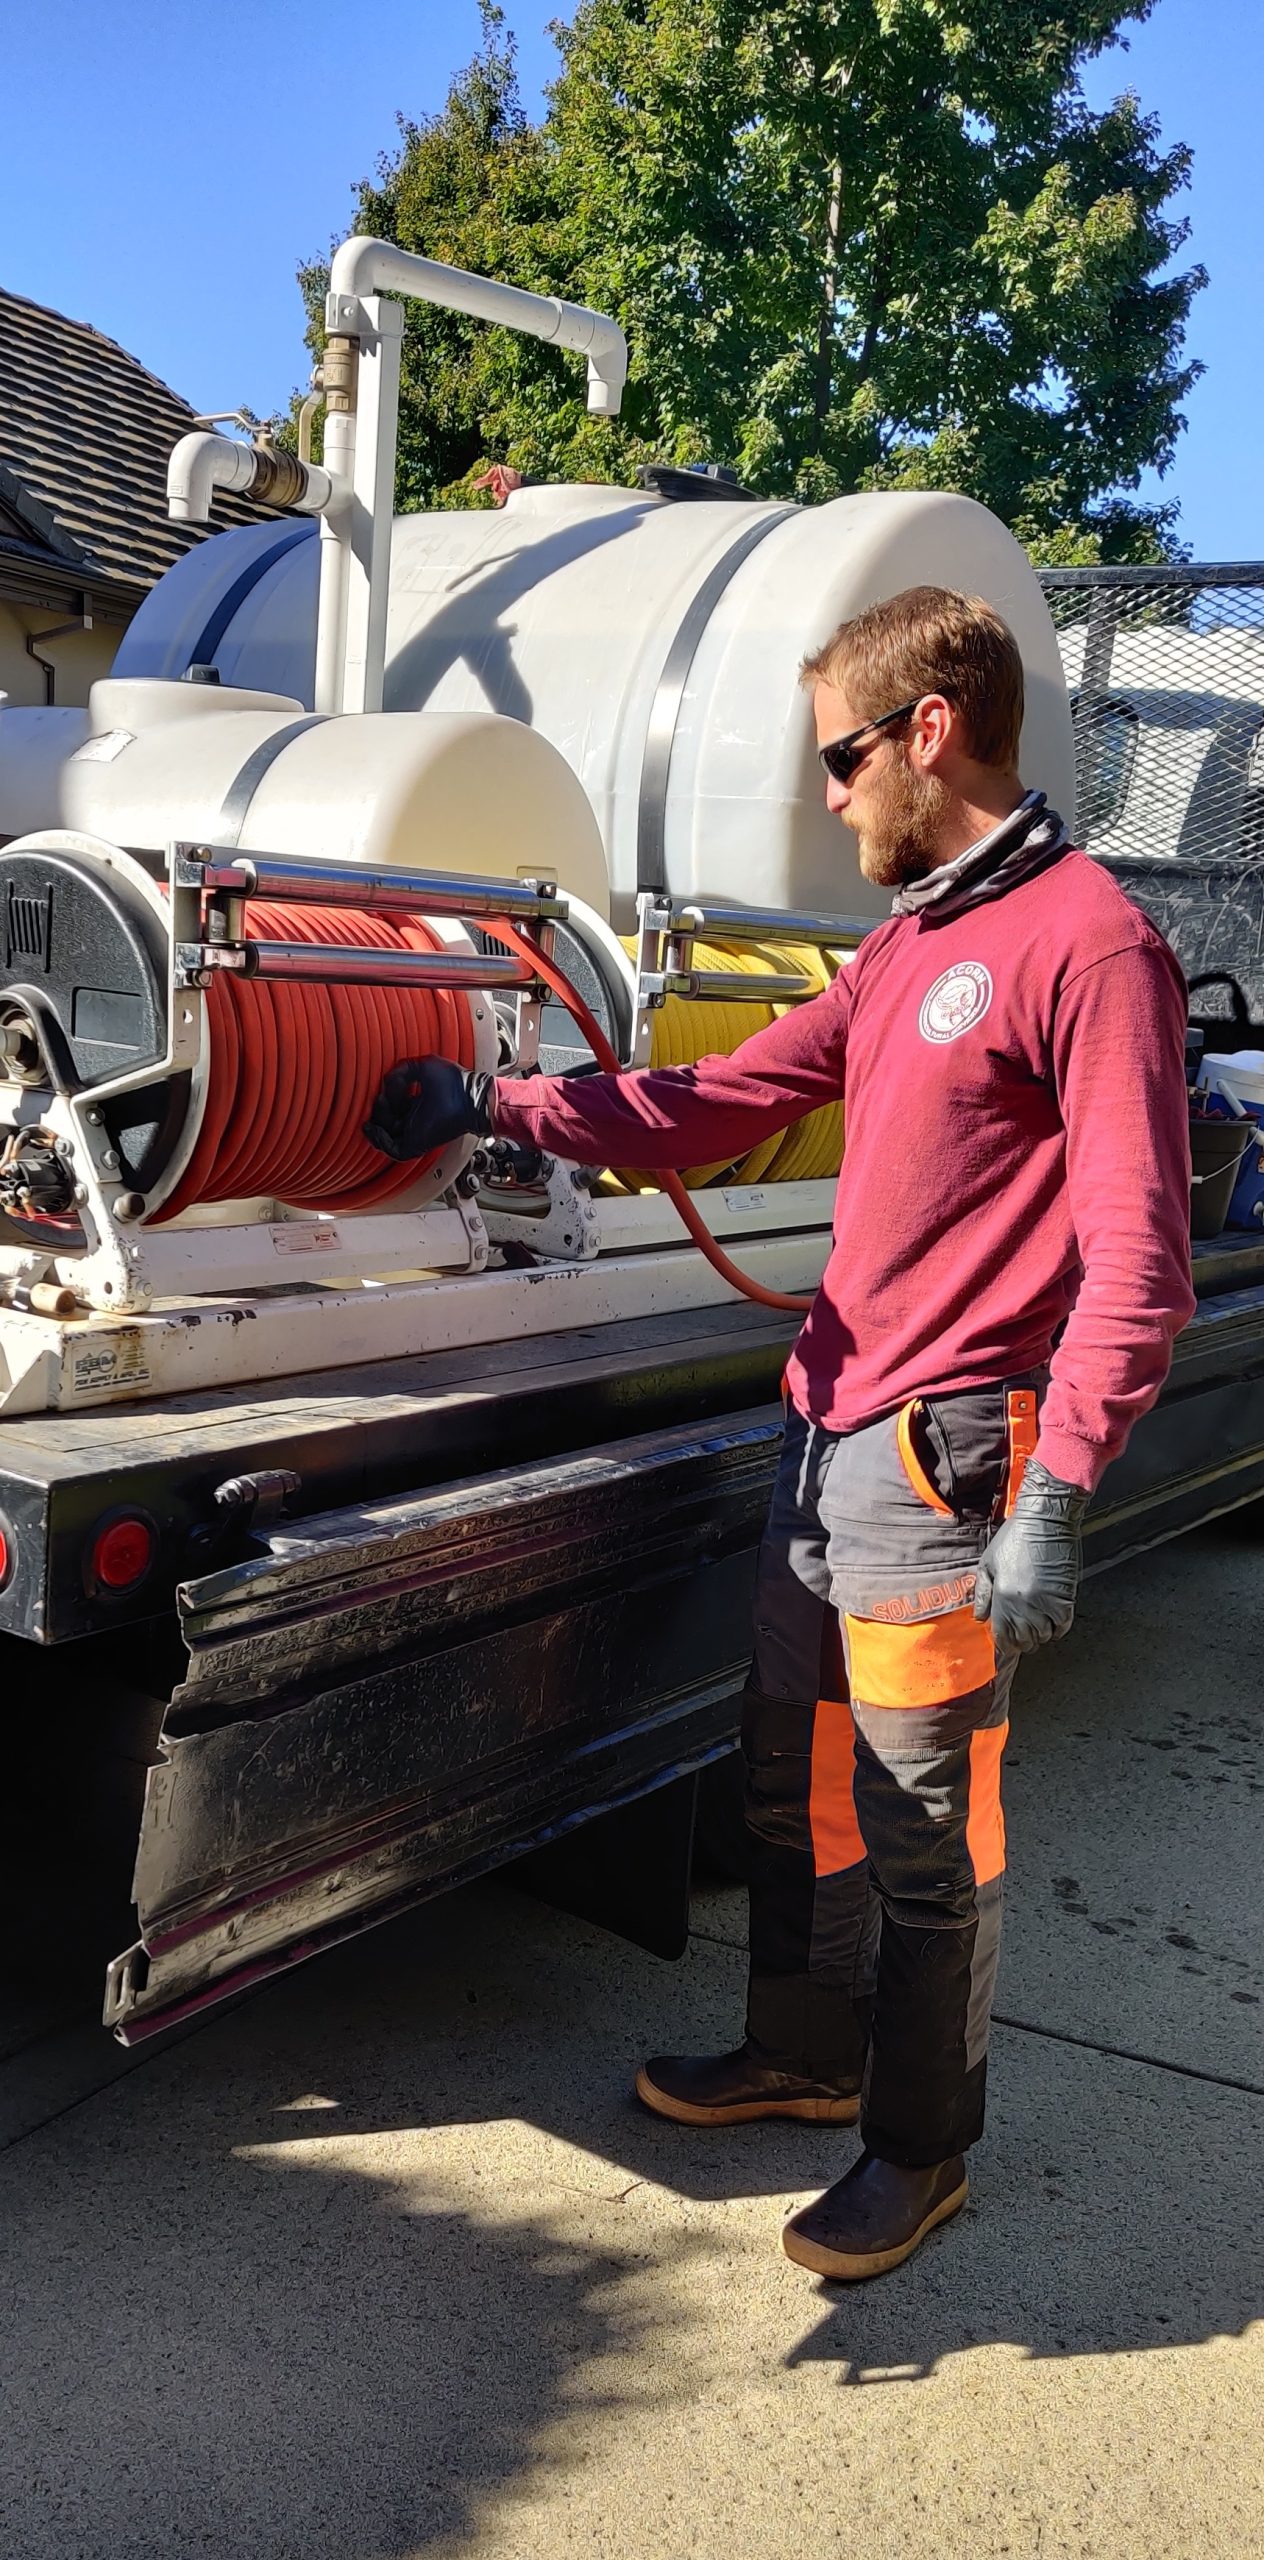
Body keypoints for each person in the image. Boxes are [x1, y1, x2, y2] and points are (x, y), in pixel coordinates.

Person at [365, 586, 1195, 2282]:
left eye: (839, 758)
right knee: (796, 1782)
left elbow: (1143, 1259)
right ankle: (808, 2060)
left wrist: (1062, 1485)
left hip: (945, 1455)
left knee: (920, 1822)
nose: (826, 796)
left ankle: (920, 2144)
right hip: (827, 1431)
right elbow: (731, 1090)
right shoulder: (907, 945)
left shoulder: (1088, 945)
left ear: (929, 733)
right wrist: (503, 1102)